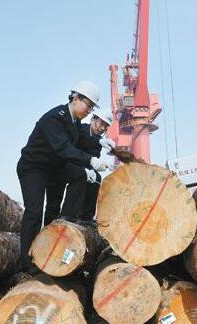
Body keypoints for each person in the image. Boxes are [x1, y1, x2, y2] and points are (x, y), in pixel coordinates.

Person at [16, 81, 115, 273]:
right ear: (76, 98)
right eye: (88, 105)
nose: (89, 111)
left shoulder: (74, 121)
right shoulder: (54, 118)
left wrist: (101, 142)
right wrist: (91, 161)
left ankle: (66, 220)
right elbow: (63, 148)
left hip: (52, 168)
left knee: (80, 176)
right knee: (34, 212)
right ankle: (27, 263)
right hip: (33, 168)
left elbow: (82, 138)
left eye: (92, 107)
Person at [44, 107, 114, 225]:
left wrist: (95, 167)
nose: (102, 128)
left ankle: (85, 217)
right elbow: (70, 152)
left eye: (105, 127)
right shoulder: (80, 130)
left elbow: (92, 160)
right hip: (63, 165)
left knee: (96, 178)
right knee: (54, 204)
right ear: (93, 119)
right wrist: (85, 168)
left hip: (79, 168)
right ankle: (64, 216)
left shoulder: (99, 142)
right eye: (101, 123)